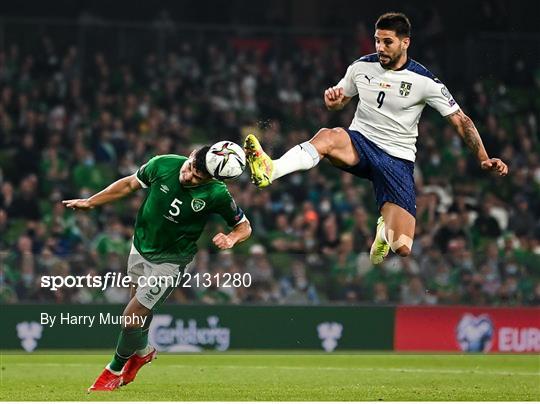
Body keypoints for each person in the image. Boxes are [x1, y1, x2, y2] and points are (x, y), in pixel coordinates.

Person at [244, 12, 508, 266]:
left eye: (388, 42)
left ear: (406, 42)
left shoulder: (425, 81)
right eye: (377, 40)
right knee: (328, 136)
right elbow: (340, 102)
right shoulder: (361, 67)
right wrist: (333, 103)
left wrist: (483, 158)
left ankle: (384, 230)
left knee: (402, 248)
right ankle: (271, 169)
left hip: (397, 159)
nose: (380, 47)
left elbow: (461, 121)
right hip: (360, 143)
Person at [63, 145, 251, 391]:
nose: (190, 176)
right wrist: (91, 201)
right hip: (140, 247)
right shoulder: (163, 164)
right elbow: (130, 184)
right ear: (192, 155)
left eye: (198, 178)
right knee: (138, 317)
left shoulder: (217, 193)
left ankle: (113, 370)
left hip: (170, 261)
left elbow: (244, 226)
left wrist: (231, 239)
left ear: (211, 178)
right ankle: (142, 352)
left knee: (130, 318)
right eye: (192, 169)